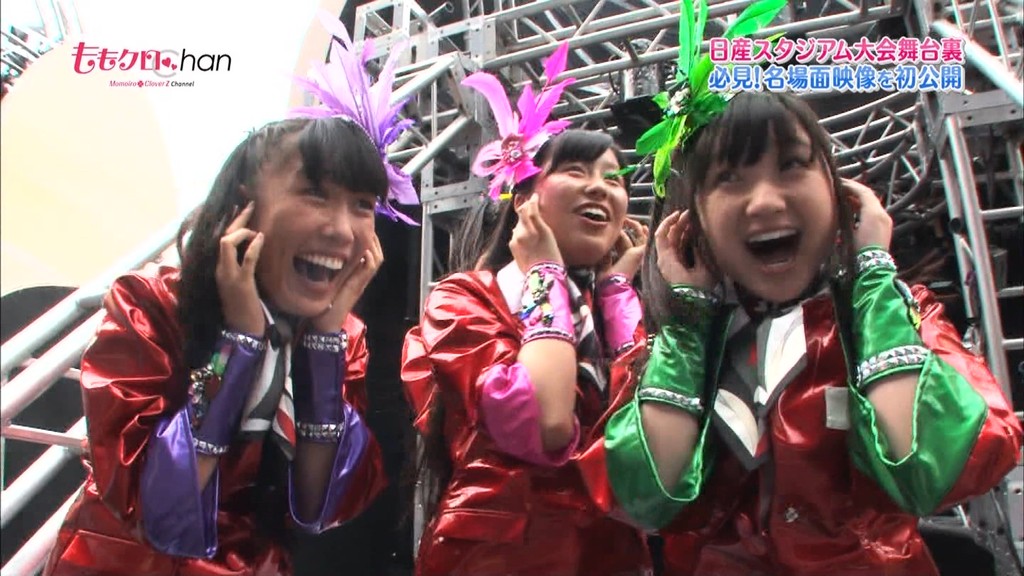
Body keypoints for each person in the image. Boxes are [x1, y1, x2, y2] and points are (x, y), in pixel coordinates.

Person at [599, 33, 1024, 576]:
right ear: (691, 219)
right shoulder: (667, 342)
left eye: (793, 165)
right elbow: (645, 497)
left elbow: (931, 471)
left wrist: (871, 276)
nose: (765, 201)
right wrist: (688, 325)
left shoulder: (900, 312)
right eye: (728, 179)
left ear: (839, 191)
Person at [44, 13, 416, 576]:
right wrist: (239, 344)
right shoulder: (149, 306)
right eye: (316, 194)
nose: (343, 230)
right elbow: (159, 513)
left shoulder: (344, 338)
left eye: (362, 205)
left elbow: (321, 506)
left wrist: (323, 345)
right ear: (246, 204)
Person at [401, 42, 653, 576]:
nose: (600, 188)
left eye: (613, 178)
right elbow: (545, 423)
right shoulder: (464, 299)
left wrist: (615, 291)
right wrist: (544, 273)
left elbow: (646, 440)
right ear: (523, 199)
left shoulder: (610, 307)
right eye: (576, 171)